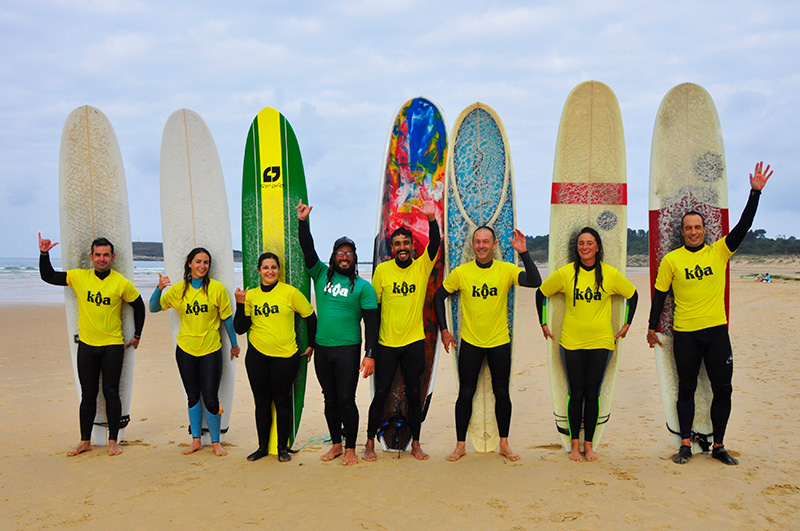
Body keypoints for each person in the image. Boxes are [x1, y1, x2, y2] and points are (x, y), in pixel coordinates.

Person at [647, 161, 773, 466]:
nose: (693, 231)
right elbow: (660, 295)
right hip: (686, 333)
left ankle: (719, 445)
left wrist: (754, 194)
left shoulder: (719, 251)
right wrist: (651, 328)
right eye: (688, 228)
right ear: (682, 231)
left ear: (705, 230)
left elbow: (743, 227)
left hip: (717, 331)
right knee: (686, 389)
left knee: (723, 389)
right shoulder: (671, 261)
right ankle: (685, 445)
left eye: (697, 227)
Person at [433, 225, 542, 462]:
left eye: (486, 241)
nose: (481, 246)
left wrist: (523, 252)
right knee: (465, 394)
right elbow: (438, 297)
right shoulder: (461, 273)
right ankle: (460, 445)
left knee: (502, 393)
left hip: (499, 341)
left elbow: (534, 281)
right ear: (473, 245)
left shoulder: (506, 270)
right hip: (471, 342)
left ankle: (504, 443)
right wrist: (444, 330)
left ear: (494, 245)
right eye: (477, 242)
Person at [535, 227, 638, 462]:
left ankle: (589, 446)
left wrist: (626, 324)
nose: (585, 247)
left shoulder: (609, 275)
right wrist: (543, 323)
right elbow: (541, 293)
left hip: (601, 342)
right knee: (576, 393)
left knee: (592, 394)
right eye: (581, 243)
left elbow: (633, 295)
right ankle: (574, 446)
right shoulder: (566, 273)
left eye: (589, 243)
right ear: (577, 247)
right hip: (571, 342)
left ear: (597, 247)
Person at [38, 233, 145, 457]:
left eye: (106, 255)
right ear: (91, 256)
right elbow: (48, 276)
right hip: (87, 346)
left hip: (113, 346)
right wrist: (44, 253)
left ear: (112, 257)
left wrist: (137, 334)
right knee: (88, 396)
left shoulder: (120, 282)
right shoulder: (79, 277)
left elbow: (139, 306)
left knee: (111, 393)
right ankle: (84, 441)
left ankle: (113, 441)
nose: (102, 258)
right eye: (98, 255)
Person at [296, 200, 378, 466]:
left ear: (354, 258)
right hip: (323, 348)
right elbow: (307, 249)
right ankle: (335, 444)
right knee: (329, 399)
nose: (344, 257)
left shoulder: (364, 288)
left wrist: (369, 355)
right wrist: (302, 221)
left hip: (348, 349)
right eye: (340, 253)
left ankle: (351, 447)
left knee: (346, 399)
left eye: (349, 253)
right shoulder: (321, 274)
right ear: (334, 257)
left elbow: (372, 325)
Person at [364, 190, 439, 462]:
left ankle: (416, 443)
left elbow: (435, 245)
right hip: (386, 345)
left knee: (413, 394)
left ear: (411, 246)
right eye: (397, 244)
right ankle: (370, 443)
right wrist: (370, 350)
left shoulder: (421, 267)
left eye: (406, 243)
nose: (402, 247)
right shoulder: (382, 272)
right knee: (381, 394)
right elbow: (372, 310)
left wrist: (431, 218)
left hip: (414, 343)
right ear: (392, 248)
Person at [149, 247, 240, 457]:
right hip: (185, 350)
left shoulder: (217, 289)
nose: (202, 266)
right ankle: (196, 440)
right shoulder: (179, 290)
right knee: (192, 396)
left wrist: (234, 344)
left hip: (210, 349)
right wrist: (159, 288)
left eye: (206, 262)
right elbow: (154, 307)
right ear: (189, 264)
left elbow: (226, 319)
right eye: (198, 261)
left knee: (210, 397)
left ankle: (216, 442)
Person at [233, 252, 316, 463]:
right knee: (261, 402)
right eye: (266, 268)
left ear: (279, 270)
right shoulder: (251, 295)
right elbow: (240, 328)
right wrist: (240, 304)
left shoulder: (290, 293)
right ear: (259, 271)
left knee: (282, 401)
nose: (270, 271)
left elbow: (309, 316)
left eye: (274, 267)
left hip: (285, 356)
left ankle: (282, 448)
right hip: (257, 356)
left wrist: (311, 344)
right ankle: (262, 447)